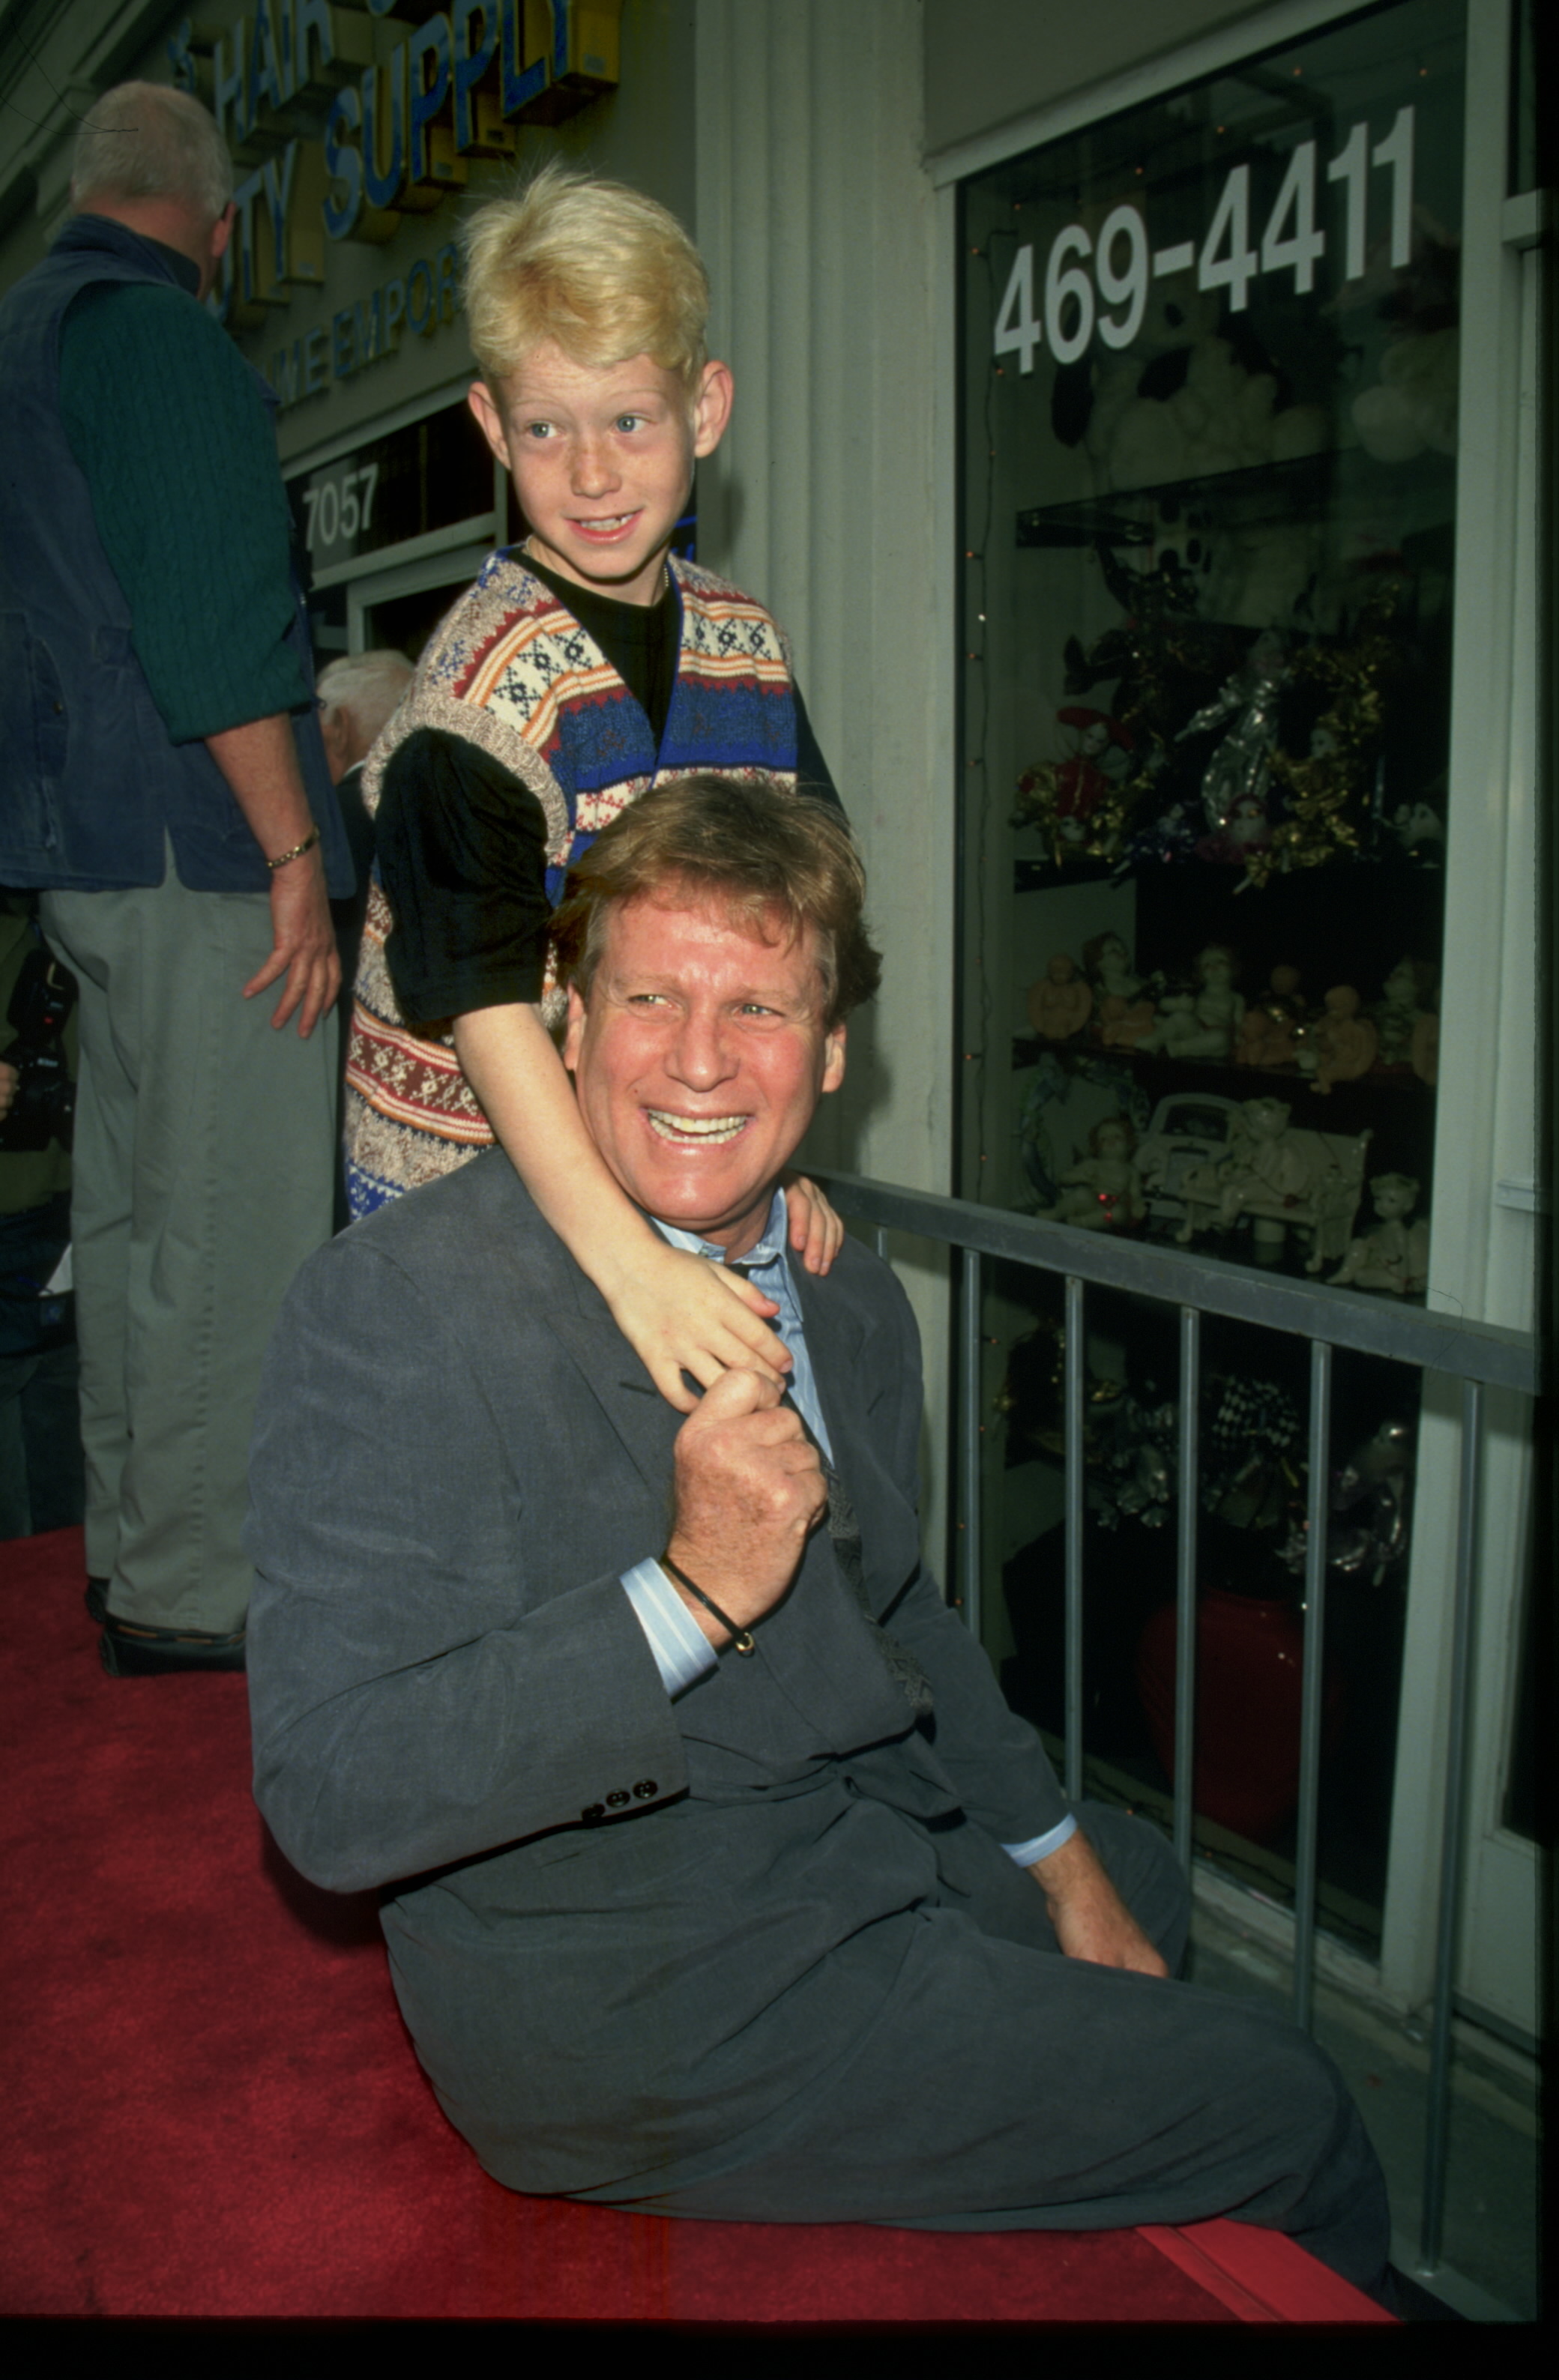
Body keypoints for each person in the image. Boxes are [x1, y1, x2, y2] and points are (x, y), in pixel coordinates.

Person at [248, 776, 1390, 2292]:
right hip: (645, 1994)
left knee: (1138, 1884)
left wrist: (1058, 1867)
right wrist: (684, 1594)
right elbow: (330, 1799)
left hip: (842, 1845)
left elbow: (902, 1603)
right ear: (564, 1019)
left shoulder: (841, 1286)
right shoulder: (394, 1307)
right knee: (1292, 2105)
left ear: (833, 1052)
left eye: (761, 1009)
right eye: (648, 995)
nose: (700, 1059)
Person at [344, 163, 841, 1411]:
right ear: (490, 427)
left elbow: (802, 930)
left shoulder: (747, 644)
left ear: (706, 407)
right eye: (547, 429)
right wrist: (633, 1271)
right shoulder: (470, 703)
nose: (595, 475)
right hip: (472, 1209)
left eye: (631, 420)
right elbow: (490, 1013)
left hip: (654, 1166)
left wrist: (760, 1159)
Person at [0, 83, 352, 1673]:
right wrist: (294, 850)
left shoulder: (25, 338)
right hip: (198, 850)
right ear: (216, 230)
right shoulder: (162, 341)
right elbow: (219, 631)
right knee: (233, 1221)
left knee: (137, 1213)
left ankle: (133, 1545)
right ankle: (197, 1590)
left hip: (79, 852)